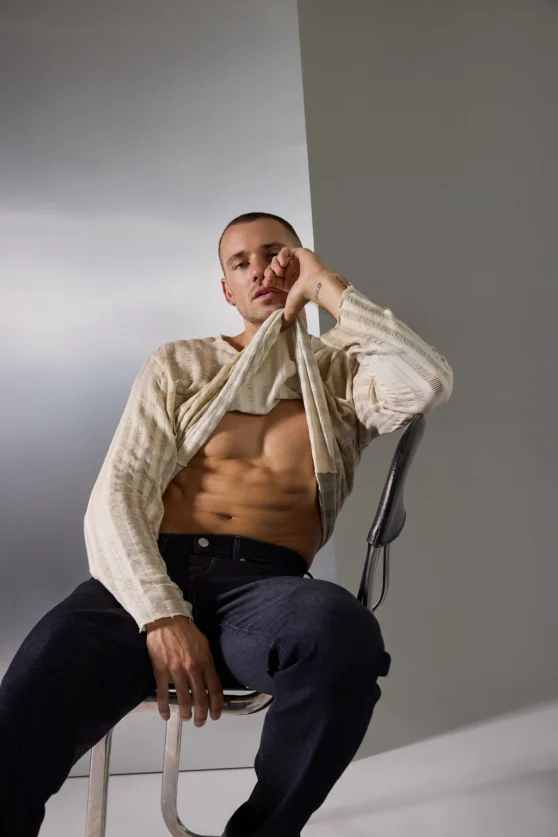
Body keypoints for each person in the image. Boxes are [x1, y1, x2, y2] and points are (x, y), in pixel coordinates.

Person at [0, 212, 453, 837]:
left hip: (265, 593)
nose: (260, 270)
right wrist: (162, 614)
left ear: (300, 262)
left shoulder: (342, 375)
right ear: (227, 289)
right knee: (31, 690)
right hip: (147, 578)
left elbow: (426, 381)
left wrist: (328, 285)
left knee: (342, 637)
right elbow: (119, 494)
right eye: (241, 263)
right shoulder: (180, 365)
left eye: (278, 255)